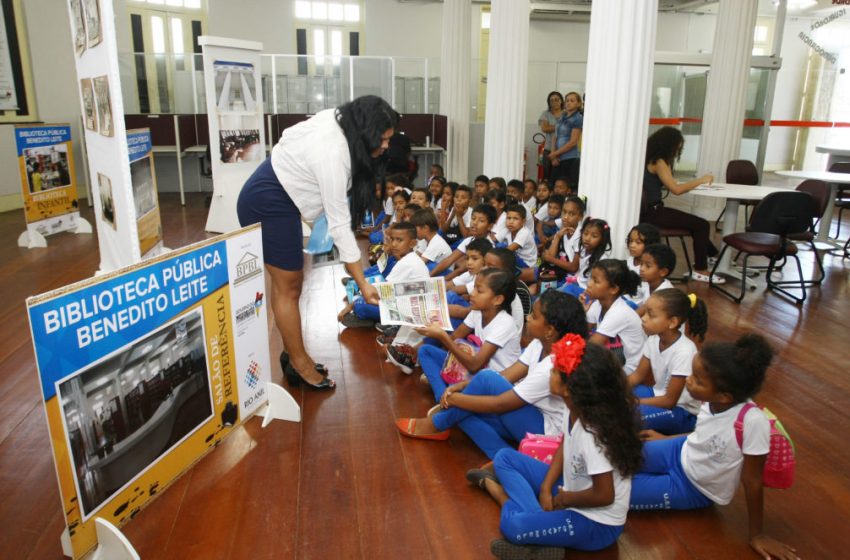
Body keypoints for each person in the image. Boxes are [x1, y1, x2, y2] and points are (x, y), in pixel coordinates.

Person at [237, 95, 398, 391]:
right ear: (365, 131)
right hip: (268, 201)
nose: (386, 146)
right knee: (289, 285)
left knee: (289, 284)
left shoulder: (342, 125)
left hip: (283, 197)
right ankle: (298, 363)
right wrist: (362, 283)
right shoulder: (332, 152)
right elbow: (338, 224)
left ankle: (293, 354)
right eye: (383, 139)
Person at [630, 334, 798, 560]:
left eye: (697, 380)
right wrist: (667, 440)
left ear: (725, 396)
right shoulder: (710, 401)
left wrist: (757, 535)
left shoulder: (752, 422)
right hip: (680, 450)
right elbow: (704, 435)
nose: (688, 381)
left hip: (693, 486)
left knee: (619, 492)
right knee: (618, 458)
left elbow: (753, 481)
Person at [473, 337, 642, 558]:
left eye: (554, 372)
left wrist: (564, 499)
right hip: (572, 488)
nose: (549, 373)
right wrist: (546, 486)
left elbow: (604, 495)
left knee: (514, 527)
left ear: (569, 388)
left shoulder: (593, 433)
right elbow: (564, 443)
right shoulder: (574, 408)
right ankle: (541, 529)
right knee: (504, 458)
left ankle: (500, 493)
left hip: (597, 522)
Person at [394, 292, 587, 458]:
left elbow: (501, 403)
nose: (528, 318)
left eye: (534, 317)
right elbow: (507, 376)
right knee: (464, 414)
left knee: (480, 386)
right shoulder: (538, 345)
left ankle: (435, 425)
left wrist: (457, 399)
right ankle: (500, 454)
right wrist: (463, 388)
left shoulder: (552, 364)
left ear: (550, 331)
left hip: (544, 429)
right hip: (524, 412)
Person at [413, 268, 521, 400]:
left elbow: (475, 365)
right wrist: (430, 327)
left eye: (479, 291)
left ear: (497, 299)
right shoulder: (477, 312)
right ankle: (445, 396)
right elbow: (454, 338)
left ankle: (450, 397)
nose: (472, 294)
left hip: (494, 381)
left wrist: (442, 336)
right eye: (474, 288)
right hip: (476, 373)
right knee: (425, 351)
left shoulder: (505, 323)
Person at [642, 126, 724, 284]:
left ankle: (712, 255)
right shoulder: (659, 161)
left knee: (695, 224)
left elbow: (668, 183)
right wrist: (701, 179)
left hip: (650, 211)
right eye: (678, 146)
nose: (678, 151)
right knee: (702, 225)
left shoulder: (649, 158)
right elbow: (676, 190)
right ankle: (700, 269)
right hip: (654, 213)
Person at [628, 289, 707, 434]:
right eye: (645, 312)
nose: (643, 318)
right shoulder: (654, 339)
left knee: (629, 414)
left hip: (681, 411)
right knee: (615, 397)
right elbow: (637, 376)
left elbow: (669, 401)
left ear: (672, 322)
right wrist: (614, 388)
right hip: (657, 394)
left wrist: (634, 401)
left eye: (651, 315)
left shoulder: (685, 351)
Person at [584, 259, 646, 375]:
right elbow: (581, 330)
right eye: (591, 278)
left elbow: (591, 346)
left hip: (629, 369)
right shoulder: (597, 304)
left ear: (613, 289)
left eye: (596, 281)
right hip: (614, 357)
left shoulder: (619, 313)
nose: (589, 284)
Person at [549, 92, 583, 191]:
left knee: (566, 188)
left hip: (570, 158)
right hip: (558, 158)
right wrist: (553, 156)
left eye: (572, 101)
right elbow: (555, 136)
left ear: (578, 104)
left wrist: (555, 153)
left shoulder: (578, 118)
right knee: (553, 186)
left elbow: (573, 142)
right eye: (567, 100)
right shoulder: (562, 116)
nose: (568, 103)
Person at [538, 91, 564, 182]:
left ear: (561, 101)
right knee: (547, 177)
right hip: (548, 149)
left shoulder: (566, 114)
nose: (554, 102)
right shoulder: (546, 114)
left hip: (564, 150)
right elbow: (544, 128)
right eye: (551, 100)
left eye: (556, 100)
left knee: (561, 177)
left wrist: (552, 127)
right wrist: (561, 126)